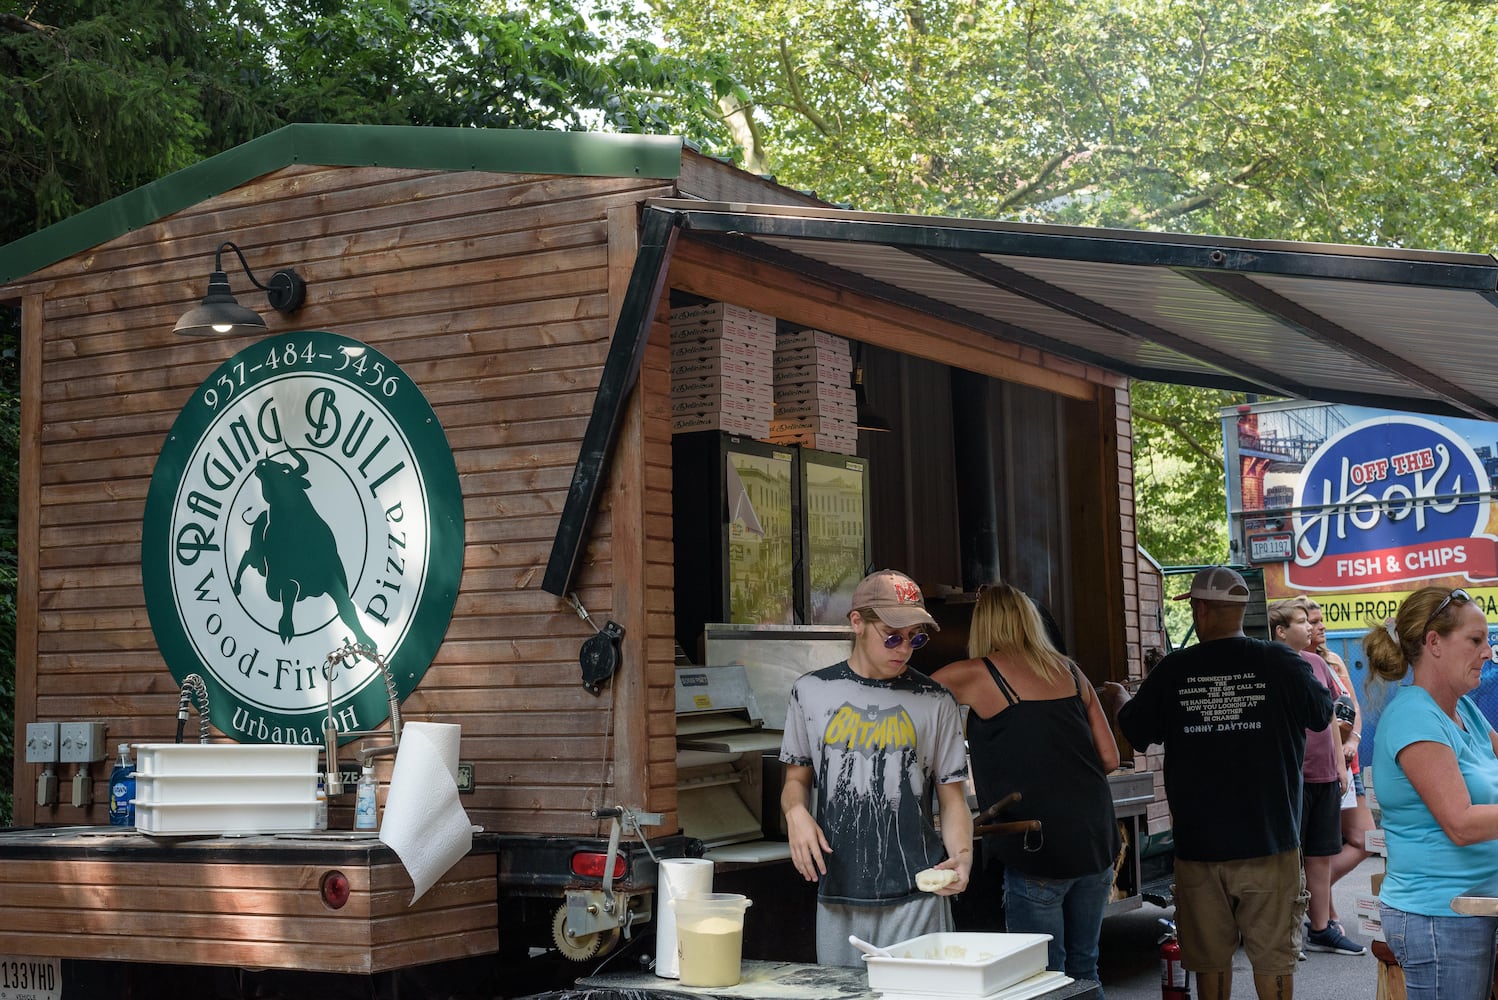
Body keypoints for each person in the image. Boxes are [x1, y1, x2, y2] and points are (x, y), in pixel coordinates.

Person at [1112, 566, 1333, 1000]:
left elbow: (1135, 732)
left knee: (1209, 962)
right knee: (1273, 960)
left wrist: (1119, 697)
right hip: (1271, 844)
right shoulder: (1282, 662)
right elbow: (1321, 714)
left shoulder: (1175, 670)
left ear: (1201, 609)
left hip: (1200, 849)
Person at [779, 569, 974, 967]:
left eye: (915, 638)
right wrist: (795, 812)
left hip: (918, 893)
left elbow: (952, 798)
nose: (903, 648)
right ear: (857, 623)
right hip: (837, 893)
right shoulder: (811, 691)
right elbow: (795, 780)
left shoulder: (937, 701)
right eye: (892, 635)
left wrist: (964, 856)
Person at [931, 583, 1120, 989]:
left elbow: (910, 702)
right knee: (1084, 968)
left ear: (983, 625)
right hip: (1096, 839)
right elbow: (1110, 759)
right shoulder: (1070, 670)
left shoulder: (973, 673)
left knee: (1038, 978)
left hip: (1038, 846)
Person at [1368, 586, 1498, 1000]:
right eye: (1476, 640)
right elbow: (1460, 823)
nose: (1489, 653)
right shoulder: (1415, 716)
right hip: (1441, 917)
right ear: (1434, 643)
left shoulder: (1462, 709)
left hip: (1474, 907)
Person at [1267, 598, 1361, 956]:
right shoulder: (1270, 667)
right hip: (1292, 775)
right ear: (1280, 631)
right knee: (1288, 856)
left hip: (1325, 774)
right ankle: (1284, 933)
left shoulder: (1319, 663)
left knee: (1321, 854)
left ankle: (1321, 928)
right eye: (1302, 622)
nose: (1310, 628)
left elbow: (1338, 716)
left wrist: (1340, 768)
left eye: (1310, 622)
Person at [1304, 598, 1374, 927]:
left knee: (1363, 839)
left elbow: (1353, 707)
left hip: (1350, 762)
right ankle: (1324, 915)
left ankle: (1310, 896)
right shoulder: (1297, 665)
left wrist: (1352, 741)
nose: (1320, 626)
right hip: (1321, 767)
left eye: (1320, 620)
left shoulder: (1332, 660)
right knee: (1322, 846)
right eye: (1312, 621)